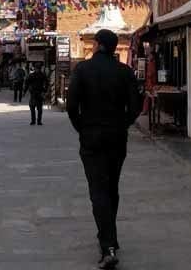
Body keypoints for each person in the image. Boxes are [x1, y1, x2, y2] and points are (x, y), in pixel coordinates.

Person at [67, 29, 142, 269]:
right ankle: (110, 237)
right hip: (116, 136)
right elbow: (136, 106)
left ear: (97, 45)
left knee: (98, 190)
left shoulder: (82, 70)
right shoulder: (124, 72)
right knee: (111, 187)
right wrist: (123, 124)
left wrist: (82, 127)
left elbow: (71, 106)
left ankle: (107, 244)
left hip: (91, 136)